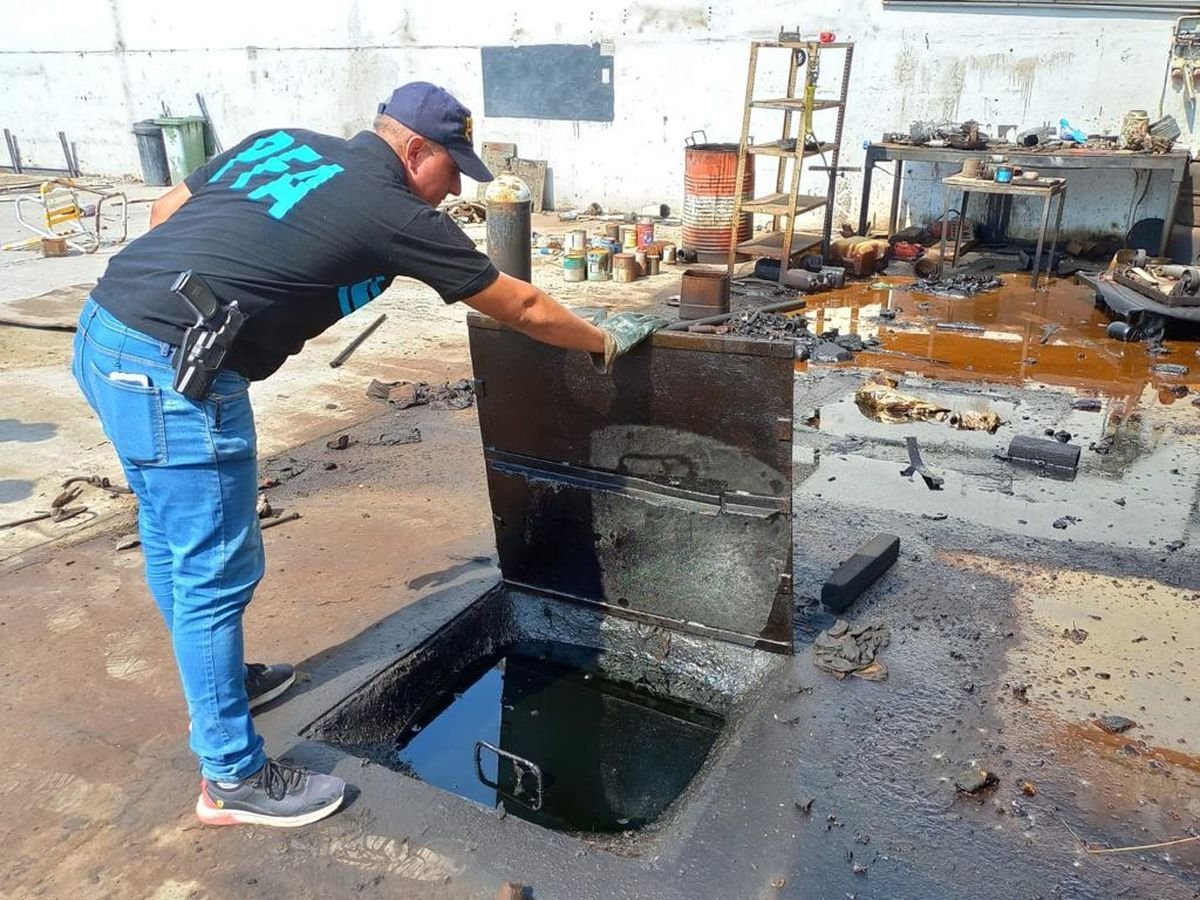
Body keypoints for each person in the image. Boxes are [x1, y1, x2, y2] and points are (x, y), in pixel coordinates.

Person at [71, 82, 661, 828]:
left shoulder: (281, 141)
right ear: (414, 150)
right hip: (174, 375)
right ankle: (231, 778)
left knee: (170, 537)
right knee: (215, 571)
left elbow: (165, 213)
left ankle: (221, 686)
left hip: (106, 334)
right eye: (452, 170)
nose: (455, 191)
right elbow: (520, 305)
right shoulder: (393, 211)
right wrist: (603, 339)